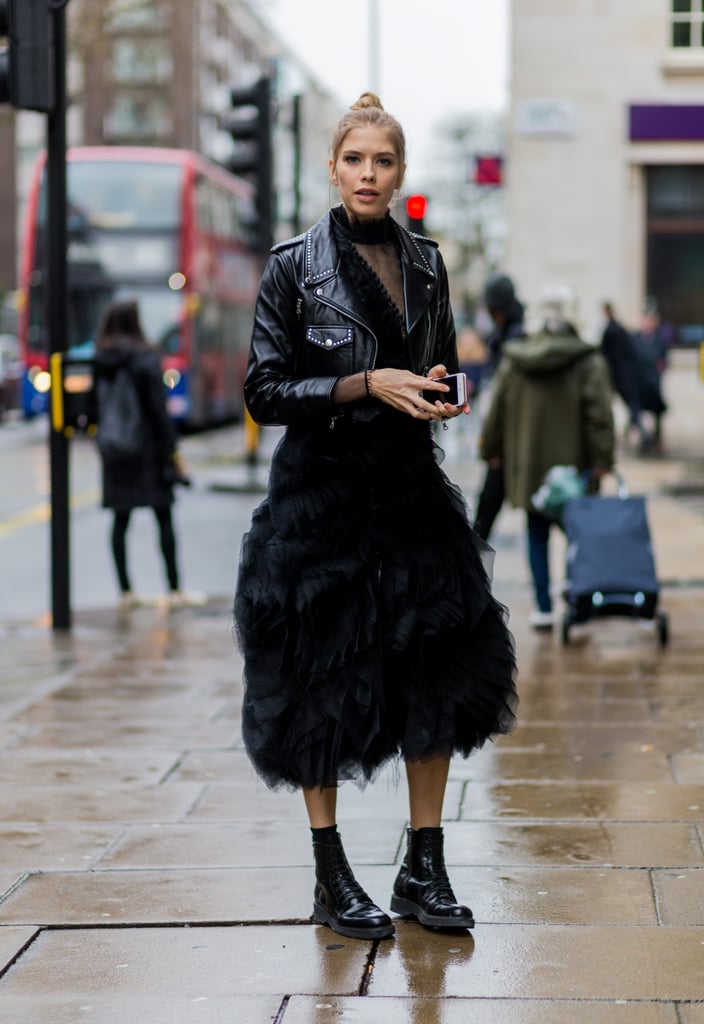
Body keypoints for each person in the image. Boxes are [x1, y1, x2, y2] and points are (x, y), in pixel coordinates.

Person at [234, 93, 518, 941]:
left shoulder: (427, 263)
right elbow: (262, 390)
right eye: (354, 159)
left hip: (409, 488)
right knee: (317, 685)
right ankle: (332, 876)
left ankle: (421, 867)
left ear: (399, 172)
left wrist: (437, 396)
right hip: (320, 500)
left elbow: (438, 365)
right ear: (333, 167)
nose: (368, 174)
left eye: (383, 161)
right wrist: (365, 385)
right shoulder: (294, 265)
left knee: (437, 673)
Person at [479, 291, 615, 630]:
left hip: (530, 465)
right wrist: (602, 459)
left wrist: (489, 449)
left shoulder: (517, 357)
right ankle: (574, 596)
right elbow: (599, 416)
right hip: (575, 468)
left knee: (536, 532)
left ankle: (543, 607)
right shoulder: (588, 361)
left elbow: (497, 410)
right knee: (577, 532)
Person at [94, 299, 189, 608]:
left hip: (115, 450)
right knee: (163, 516)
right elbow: (158, 410)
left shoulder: (100, 358)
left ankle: (126, 591)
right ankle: (174, 589)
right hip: (147, 449)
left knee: (120, 520)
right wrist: (171, 448)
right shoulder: (145, 357)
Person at [472, 273, 526, 541]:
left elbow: (505, 399)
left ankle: (470, 577)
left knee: (484, 516)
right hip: (511, 440)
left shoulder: (513, 341)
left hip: (506, 442)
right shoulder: (508, 336)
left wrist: (493, 445)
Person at [600, 301, 646, 448]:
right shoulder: (619, 329)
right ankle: (638, 433)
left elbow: (606, 355)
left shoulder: (611, 331)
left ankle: (642, 434)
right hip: (625, 376)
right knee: (632, 406)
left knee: (630, 407)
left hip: (617, 377)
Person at [632, 301, 670, 453]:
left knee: (657, 413)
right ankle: (644, 439)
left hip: (654, 381)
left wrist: (660, 369)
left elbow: (664, 359)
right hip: (640, 382)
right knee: (638, 412)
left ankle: (656, 437)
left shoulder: (659, 340)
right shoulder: (635, 338)